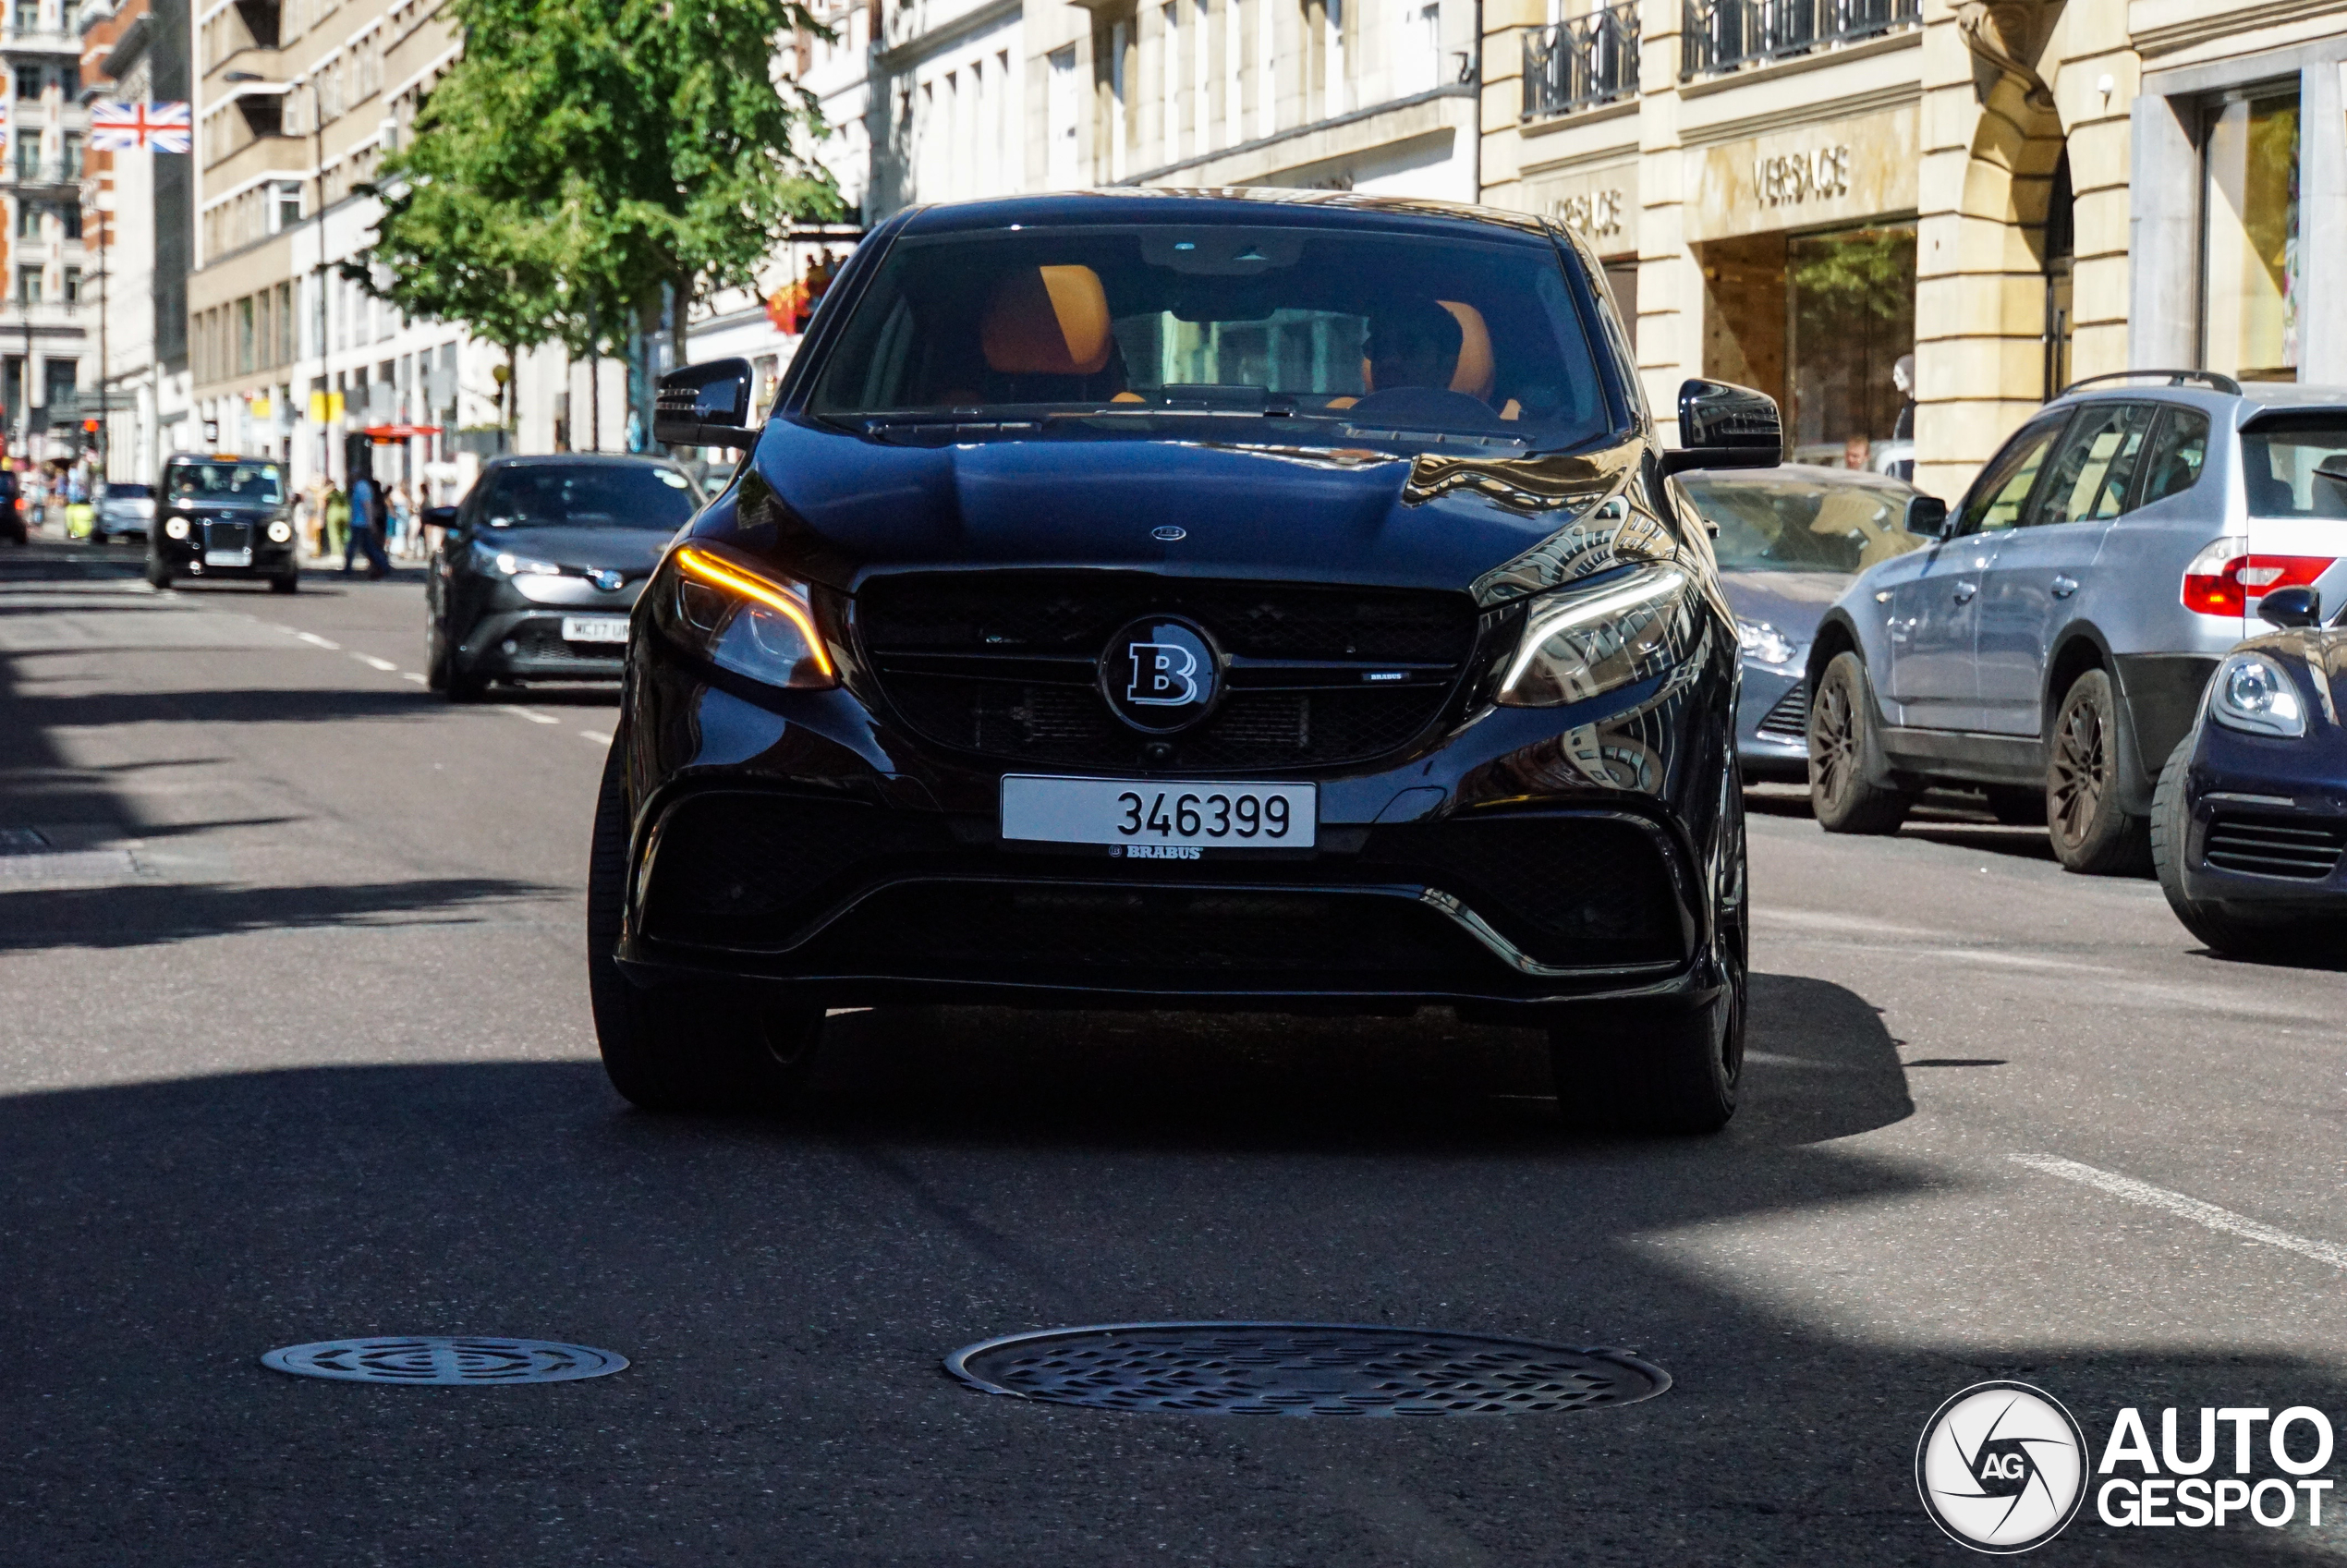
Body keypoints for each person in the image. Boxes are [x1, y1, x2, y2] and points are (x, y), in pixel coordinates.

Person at [343, 470, 390, 578]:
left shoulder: (361, 487)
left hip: (361, 523)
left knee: (357, 547)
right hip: (359, 522)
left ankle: (348, 569)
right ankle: (384, 565)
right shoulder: (360, 486)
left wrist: (370, 522)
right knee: (367, 547)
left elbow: (367, 505)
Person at [322, 481, 350, 563]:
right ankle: (345, 551)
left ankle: (337, 554)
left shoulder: (332, 493)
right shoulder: (345, 492)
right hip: (346, 513)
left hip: (333, 514)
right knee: (345, 534)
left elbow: (322, 497)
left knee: (334, 535)